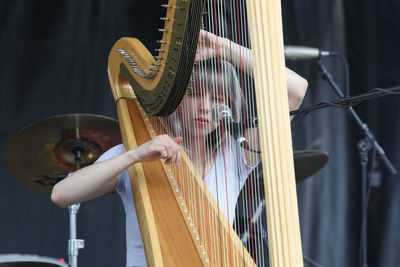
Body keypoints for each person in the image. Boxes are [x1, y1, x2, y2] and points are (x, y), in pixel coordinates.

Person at [51, 31, 308, 267]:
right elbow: (61, 194)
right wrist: (135, 155)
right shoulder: (140, 152)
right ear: (174, 97)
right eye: (195, 94)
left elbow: (296, 90)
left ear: (229, 104)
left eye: (218, 97)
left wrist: (227, 49)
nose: (206, 107)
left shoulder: (237, 154)